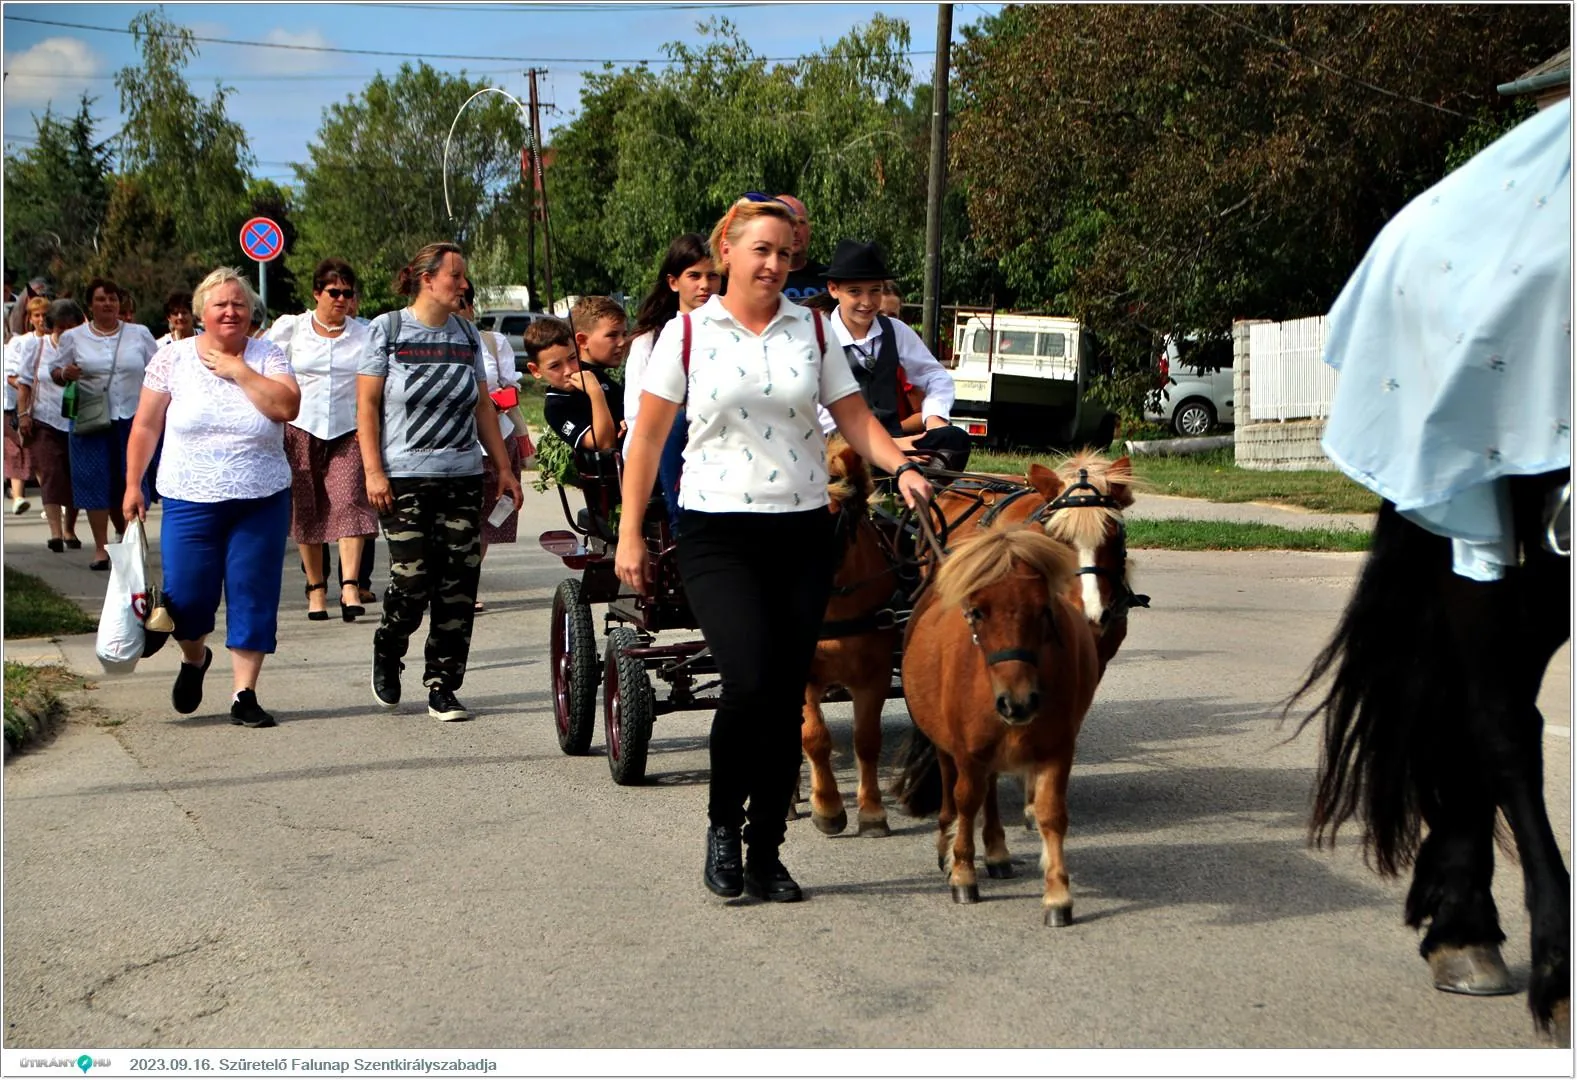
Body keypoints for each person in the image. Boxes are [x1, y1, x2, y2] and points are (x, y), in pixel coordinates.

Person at [615, 196, 932, 903]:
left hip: (799, 530)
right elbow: (648, 440)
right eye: (761, 249)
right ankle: (723, 829)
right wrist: (631, 530)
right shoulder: (687, 335)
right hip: (715, 533)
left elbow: (855, 419)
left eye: (785, 254)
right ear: (727, 250)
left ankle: (767, 852)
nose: (774, 264)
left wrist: (902, 467)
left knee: (786, 693)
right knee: (751, 685)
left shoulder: (812, 330)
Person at [123, 267, 301, 728]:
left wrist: (239, 369)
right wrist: (132, 484)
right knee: (187, 597)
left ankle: (245, 693)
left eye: (239, 304)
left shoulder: (269, 355)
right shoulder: (172, 358)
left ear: (250, 312)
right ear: (201, 311)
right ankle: (194, 657)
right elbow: (145, 425)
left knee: (253, 592)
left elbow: (286, 407)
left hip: (260, 497)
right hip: (188, 495)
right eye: (220, 304)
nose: (230, 311)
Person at [358, 241, 522, 723]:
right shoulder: (386, 331)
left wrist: (505, 468)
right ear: (426, 279)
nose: (463, 284)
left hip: (463, 476)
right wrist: (373, 470)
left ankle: (443, 685)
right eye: (455, 276)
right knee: (412, 581)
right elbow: (366, 407)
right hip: (403, 478)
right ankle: (389, 647)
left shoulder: (467, 335)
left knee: (457, 585)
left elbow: (482, 404)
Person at [267, 258, 376, 622]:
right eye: (334, 292)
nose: (341, 299)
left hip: (348, 429)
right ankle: (316, 589)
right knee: (307, 507)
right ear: (317, 293)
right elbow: (264, 366)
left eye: (348, 293)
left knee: (349, 502)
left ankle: (349, 585)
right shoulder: (292, 329)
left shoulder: (364, 333)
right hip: (301, 427)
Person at [816, 239, 972, 469]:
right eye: (855, 292)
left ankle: (922, 495)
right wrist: (890, 446)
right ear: (833, 289)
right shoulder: (819, 336)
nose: (867, 302)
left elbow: (936, 376)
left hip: (897, 440)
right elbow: (820, 421)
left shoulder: (895, 331)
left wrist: (934, 417)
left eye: (875, 291)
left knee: (955, 438)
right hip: (841, 448)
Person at [49, 277, 160, 570]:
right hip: (90, 419)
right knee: (93, 481)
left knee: (131, 480)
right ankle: (100, 548)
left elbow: (160, 369)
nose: (108, 304)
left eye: (112, 298)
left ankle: (130, 542)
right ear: (90, 305)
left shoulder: (139, 334)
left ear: (120, 303)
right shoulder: (74, 337)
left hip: (133, 419)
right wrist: (65, 373)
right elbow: (55, 372)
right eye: (101, 299)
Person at [623, 233, 720, 528]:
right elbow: (638, 417)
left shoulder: (734, 334)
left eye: (713, 276)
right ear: (673, 282)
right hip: (665, 451)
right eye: (694, 276)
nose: (705, 285)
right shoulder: (650, 342)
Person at [459, 283, 524, 613]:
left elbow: (510, 389)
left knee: (485, 519)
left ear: (470, 308)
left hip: (496, 437)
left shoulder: (493, 343)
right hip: (451, 446)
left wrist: (497, 402)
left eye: (462, 305)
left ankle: (466, 587)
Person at [15, 299, 84, 551]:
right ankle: (56, 532)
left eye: (70, 327)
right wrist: (23, 415)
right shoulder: (37, 347)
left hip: (78, 421)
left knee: (73, 476)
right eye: (60, 327)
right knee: (52, 474)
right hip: (44, 420)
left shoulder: (84, 348)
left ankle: (70, 529)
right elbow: (24, 384)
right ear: (50, 326)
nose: (64, 332)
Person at [4, 297, 48, 514]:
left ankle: (54, 500)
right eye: (37, 315)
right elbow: (10, 375)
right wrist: (26, 387)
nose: (41, 319)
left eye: (44, 315)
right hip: (25, 407)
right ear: (30, 319)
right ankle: (20, 497)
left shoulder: (60, 340)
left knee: (46, 456)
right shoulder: (20, 343)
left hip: (53, 408)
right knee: (23, 451)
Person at [777, 194, 828, 304]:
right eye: (787, 222)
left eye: (801, 222)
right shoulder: (761, 281)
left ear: (810, 229)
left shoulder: (829, 278)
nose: (795, 230)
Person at [569, 294, 628, 374]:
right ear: (583, 340)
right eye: (612, 335)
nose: (622, 342)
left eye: (624, 334)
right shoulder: (579, 384)